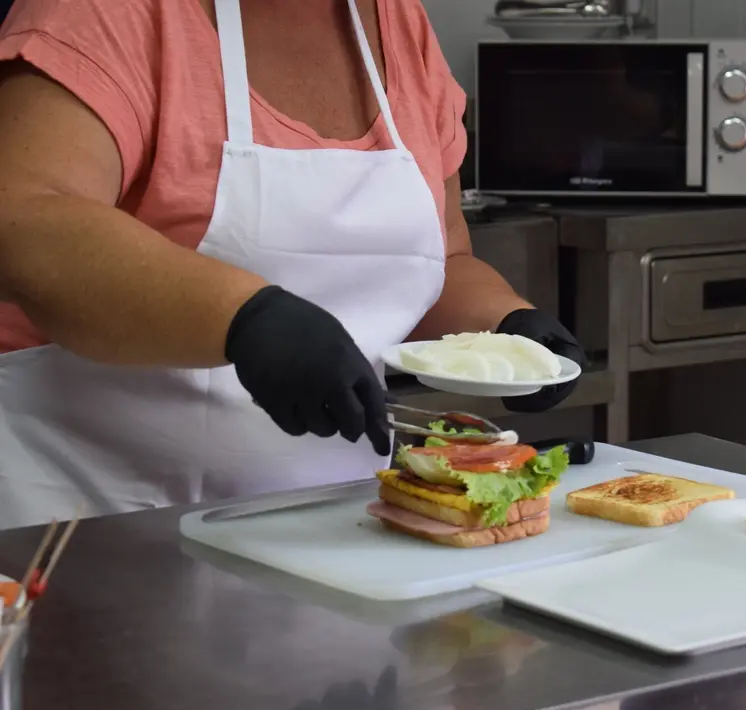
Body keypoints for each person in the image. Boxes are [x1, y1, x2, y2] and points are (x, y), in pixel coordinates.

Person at [0, 0, 585, 530]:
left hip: (325, 527)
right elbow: (25, 219)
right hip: (95, 520)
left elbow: (440, 260)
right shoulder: (106, 12)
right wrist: (244, 320)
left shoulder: (398, 22)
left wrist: (508, 329)